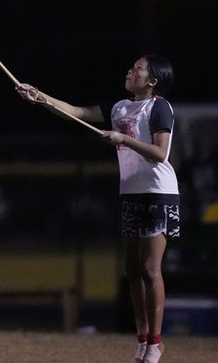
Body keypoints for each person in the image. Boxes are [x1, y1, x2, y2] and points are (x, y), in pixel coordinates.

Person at [16, 56, 179, 363]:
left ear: (153, 80)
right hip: (131, 193)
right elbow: (76, 112)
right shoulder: (119, 108)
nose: (130, 71)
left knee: (149, 268)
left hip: (158, 193)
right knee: (131, 269)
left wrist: (123, 139)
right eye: (131, 66)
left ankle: (156, 343)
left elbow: (160, 153)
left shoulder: (159, 107)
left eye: (138, 69)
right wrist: (39, 96)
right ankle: (143, 339)